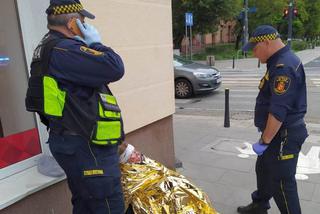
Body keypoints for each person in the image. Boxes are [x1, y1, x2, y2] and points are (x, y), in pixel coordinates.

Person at [25, 0, 126, 213]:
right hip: (86, 146)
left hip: (71, 140)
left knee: (85, 202)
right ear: (72, 23)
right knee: (107, 205)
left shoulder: (47, 47)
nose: (85, 25)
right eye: (82, 21)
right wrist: (96, 44)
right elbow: (114, 67)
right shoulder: (65, 50)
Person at [237, 25, 308, 214]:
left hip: (283, 135)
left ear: (266, 43)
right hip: (276, 134)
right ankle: (259, 205)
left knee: (282, 184)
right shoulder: (278, 61)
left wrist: (265, 140)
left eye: (254, 49)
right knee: (264, 170)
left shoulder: (283, 67)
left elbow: (278, 112)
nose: (253, 54)